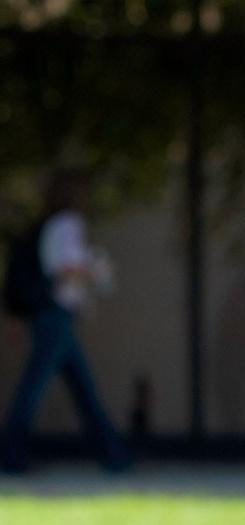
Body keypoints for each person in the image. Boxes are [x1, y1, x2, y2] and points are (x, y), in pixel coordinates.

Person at [2, 169, 130, 473]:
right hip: (55, 316)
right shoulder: (67, 223)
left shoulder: (50, 224)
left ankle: (113, 452)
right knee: (35, 388)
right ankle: (10, 453)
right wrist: (95, 270)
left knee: (82, 388)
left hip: (56, 317)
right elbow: (64, 269)